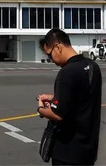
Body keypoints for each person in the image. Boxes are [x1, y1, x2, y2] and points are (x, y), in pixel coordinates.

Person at [37, 28, 102, 166]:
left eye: (50, 55)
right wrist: (55, 97)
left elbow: (57, 114)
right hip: (88, 150)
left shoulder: (67, 72)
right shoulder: (92, 67)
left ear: (58, 47)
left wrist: (41, 109)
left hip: (68, 153)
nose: (51, 60)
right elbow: (82, 95)